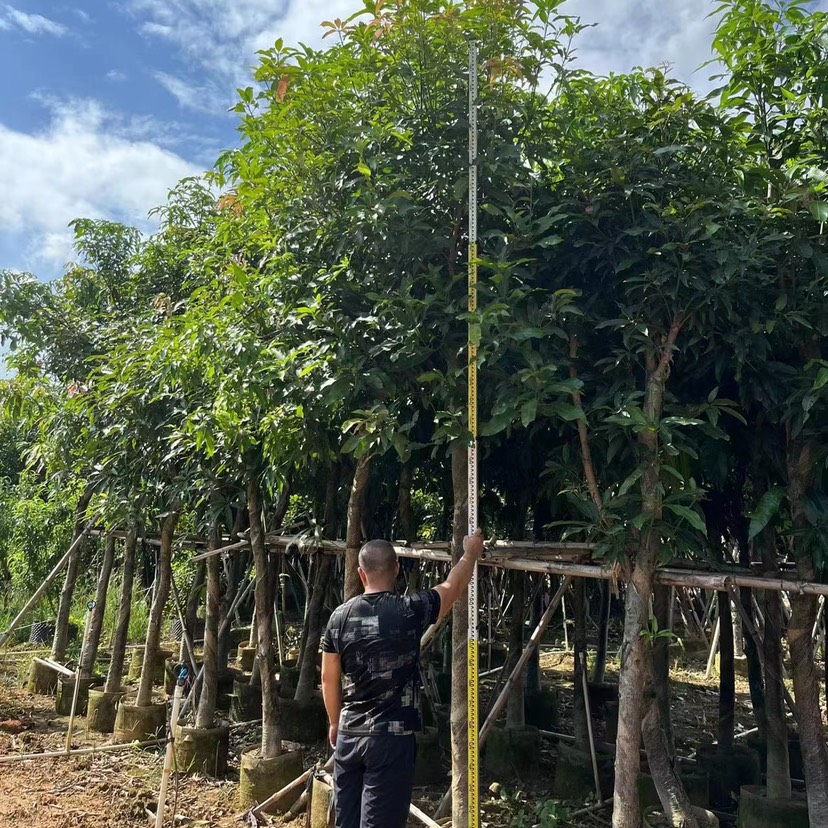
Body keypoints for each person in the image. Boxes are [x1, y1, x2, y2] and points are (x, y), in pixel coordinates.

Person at [321, 530, 485, 828]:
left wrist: (335, 722)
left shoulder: (339, 617)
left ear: (361, 573)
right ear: (397, 569)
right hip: (391, 740)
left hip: (350, 736)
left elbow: (328, 678)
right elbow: (452, 587)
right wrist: (471, 553)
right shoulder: (409, 610)